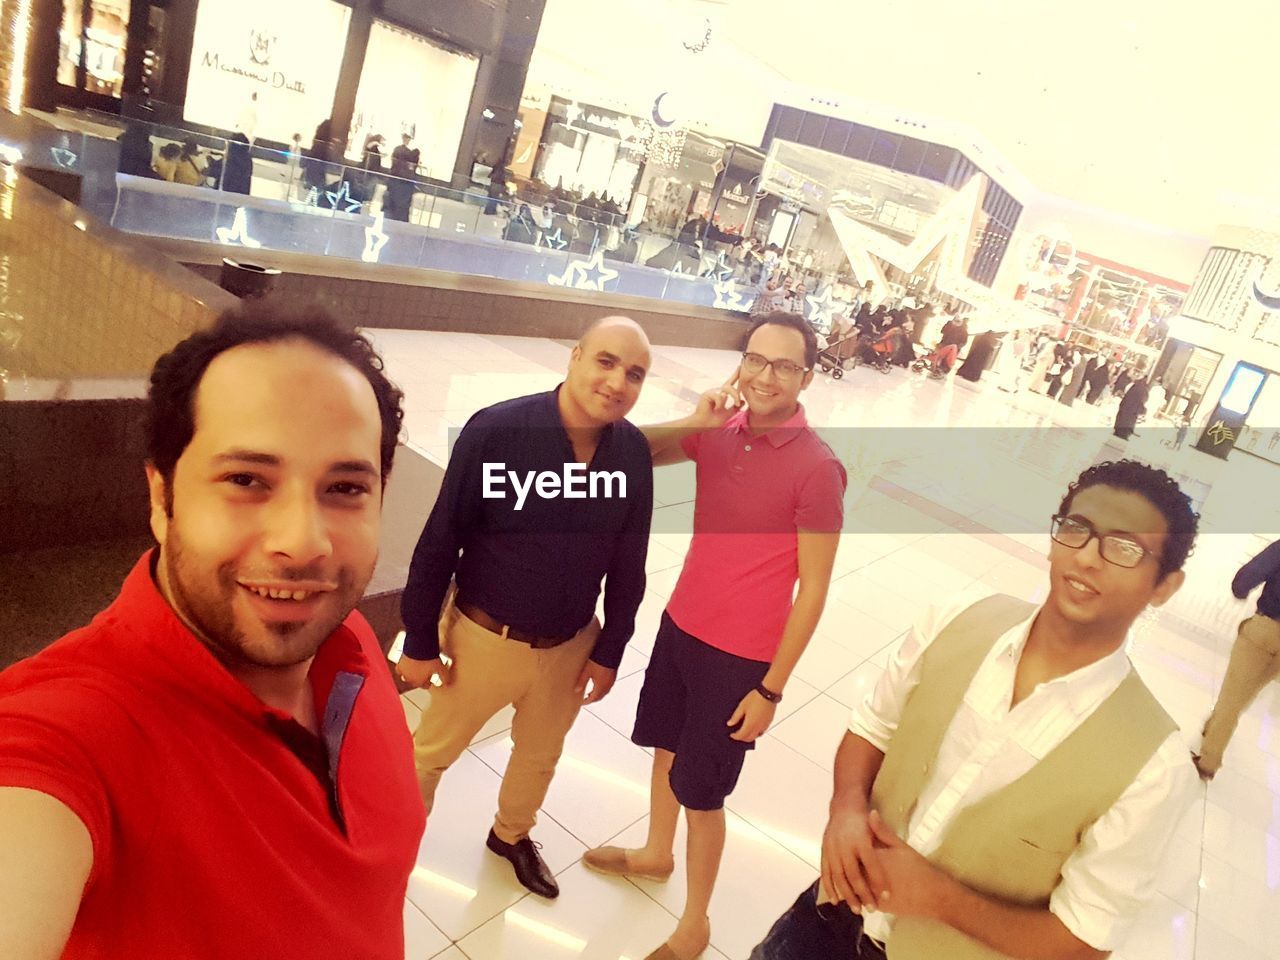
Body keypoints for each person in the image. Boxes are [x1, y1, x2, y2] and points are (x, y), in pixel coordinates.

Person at [0, 301, 424, 957]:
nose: (303, 543)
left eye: (344, 488)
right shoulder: (71, 736)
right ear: (161, 499)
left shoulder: (351, 645)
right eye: (247, 479)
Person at [751, 459, 1199, 960]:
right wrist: (846, 807)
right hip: (826, 914)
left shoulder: (1152, 765)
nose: (1089, 558)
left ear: (1165, 585)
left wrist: (941, 900)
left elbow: (1085, 940)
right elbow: (873, 729)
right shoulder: (957, 620)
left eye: (1124, 547)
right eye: (1077, 529)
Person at [585, 311, 846, 960]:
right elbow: (630, 450)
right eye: (754, 359)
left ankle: (695, 923)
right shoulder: (721, 430)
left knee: (702, 793)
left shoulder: (818, 470)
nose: (765, 375)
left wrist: (771, 691)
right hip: (681, 626)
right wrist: (699, 419)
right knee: (663, 749)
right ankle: (653, 852)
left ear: (806, 378)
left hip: (741, 659)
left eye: (784, 365)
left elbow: (813, 590)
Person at [397, 317, 654, 899]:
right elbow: (442, 537)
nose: (617, 382)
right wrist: (417, 638)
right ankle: (392, 844)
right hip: (483, 638)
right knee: (428, 755)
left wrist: (610, 649)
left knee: (539, 757)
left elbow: (629, 562)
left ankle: (511, 835)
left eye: (634, 374)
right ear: (576, 356)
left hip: (570, 646)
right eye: (606, 362)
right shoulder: (498, 431)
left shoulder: (631, 453)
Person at [1194, 538, 1280, 779]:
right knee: (1247, 692)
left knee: (1232, 694)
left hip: (1265, 629)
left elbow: (1251, 574)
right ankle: (1213, 725)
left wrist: (1240, 590)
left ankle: (1208, 761)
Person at [1113, 376, 1150, 440]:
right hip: (1129, 419)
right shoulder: (1143, 390)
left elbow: (1125, 399)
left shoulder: (1134, 387)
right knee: (1122, 437)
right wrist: (1144, 410)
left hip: (1122, 416)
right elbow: (1140, 404)